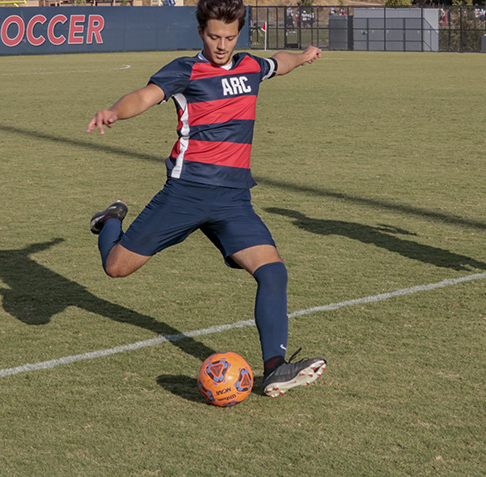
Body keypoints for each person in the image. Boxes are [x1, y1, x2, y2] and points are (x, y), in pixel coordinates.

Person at [86, 0, 326, 397]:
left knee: (273, 271)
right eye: (214, 36)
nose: (222, 45)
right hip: (186, 194)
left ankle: (276, 368)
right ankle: (111, 218)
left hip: (234, 199)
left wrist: (302, 57)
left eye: (230, 37)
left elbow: (277, 63)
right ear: (201, 32)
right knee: (115, 268)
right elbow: (145, 96)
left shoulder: (249, 66)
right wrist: (114, 111)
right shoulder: (186, 69)